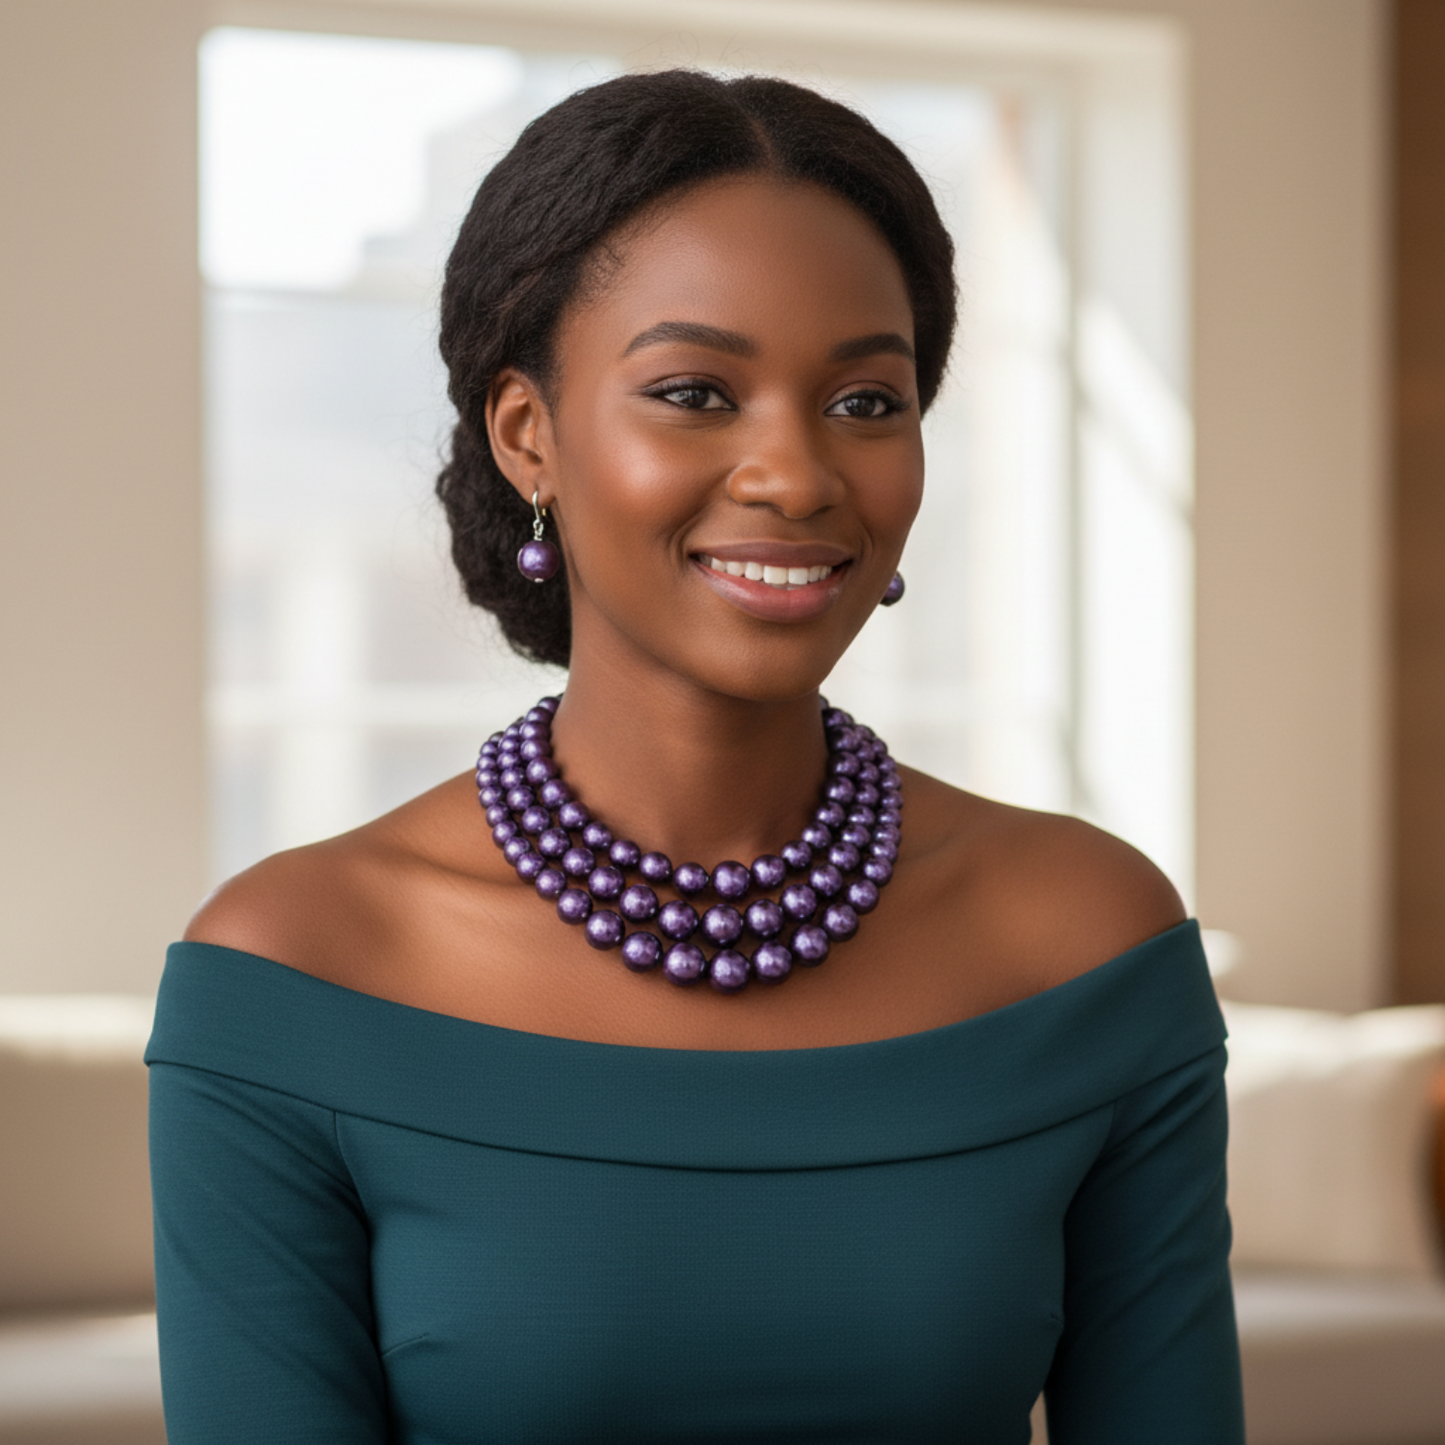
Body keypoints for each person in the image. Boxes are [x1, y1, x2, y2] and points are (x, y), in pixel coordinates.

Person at [146, 68, 1244, 1443]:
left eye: (865, 401)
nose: (797, 474)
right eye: (695, 391)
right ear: (526, 434)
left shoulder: (1087, 942)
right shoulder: (290, 976)